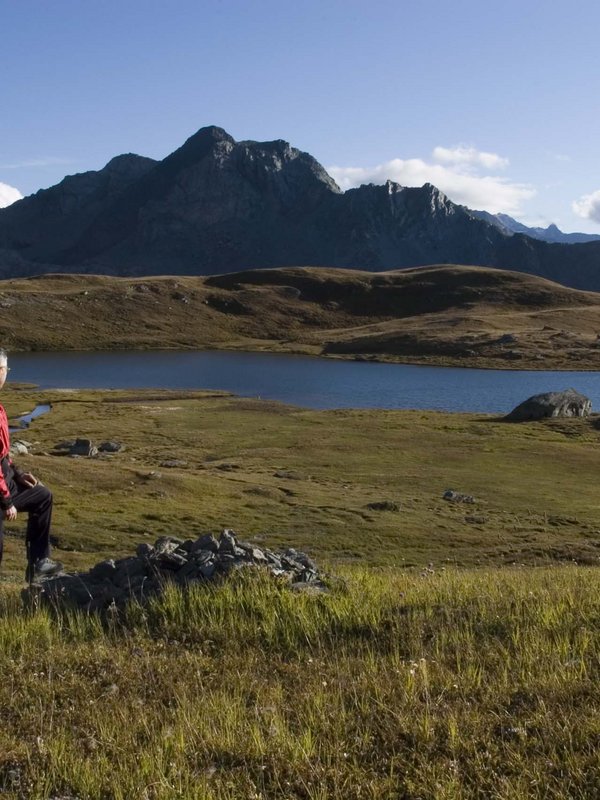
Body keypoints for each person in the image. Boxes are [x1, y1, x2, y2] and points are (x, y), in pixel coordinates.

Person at [0, 348, 62, 582]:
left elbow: (2, 454)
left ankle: (38, 563)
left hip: (5, 484)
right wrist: (6, 502)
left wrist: (17, 473)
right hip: (0, 492)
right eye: (6, 370)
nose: (7, 374)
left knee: (42, 496)